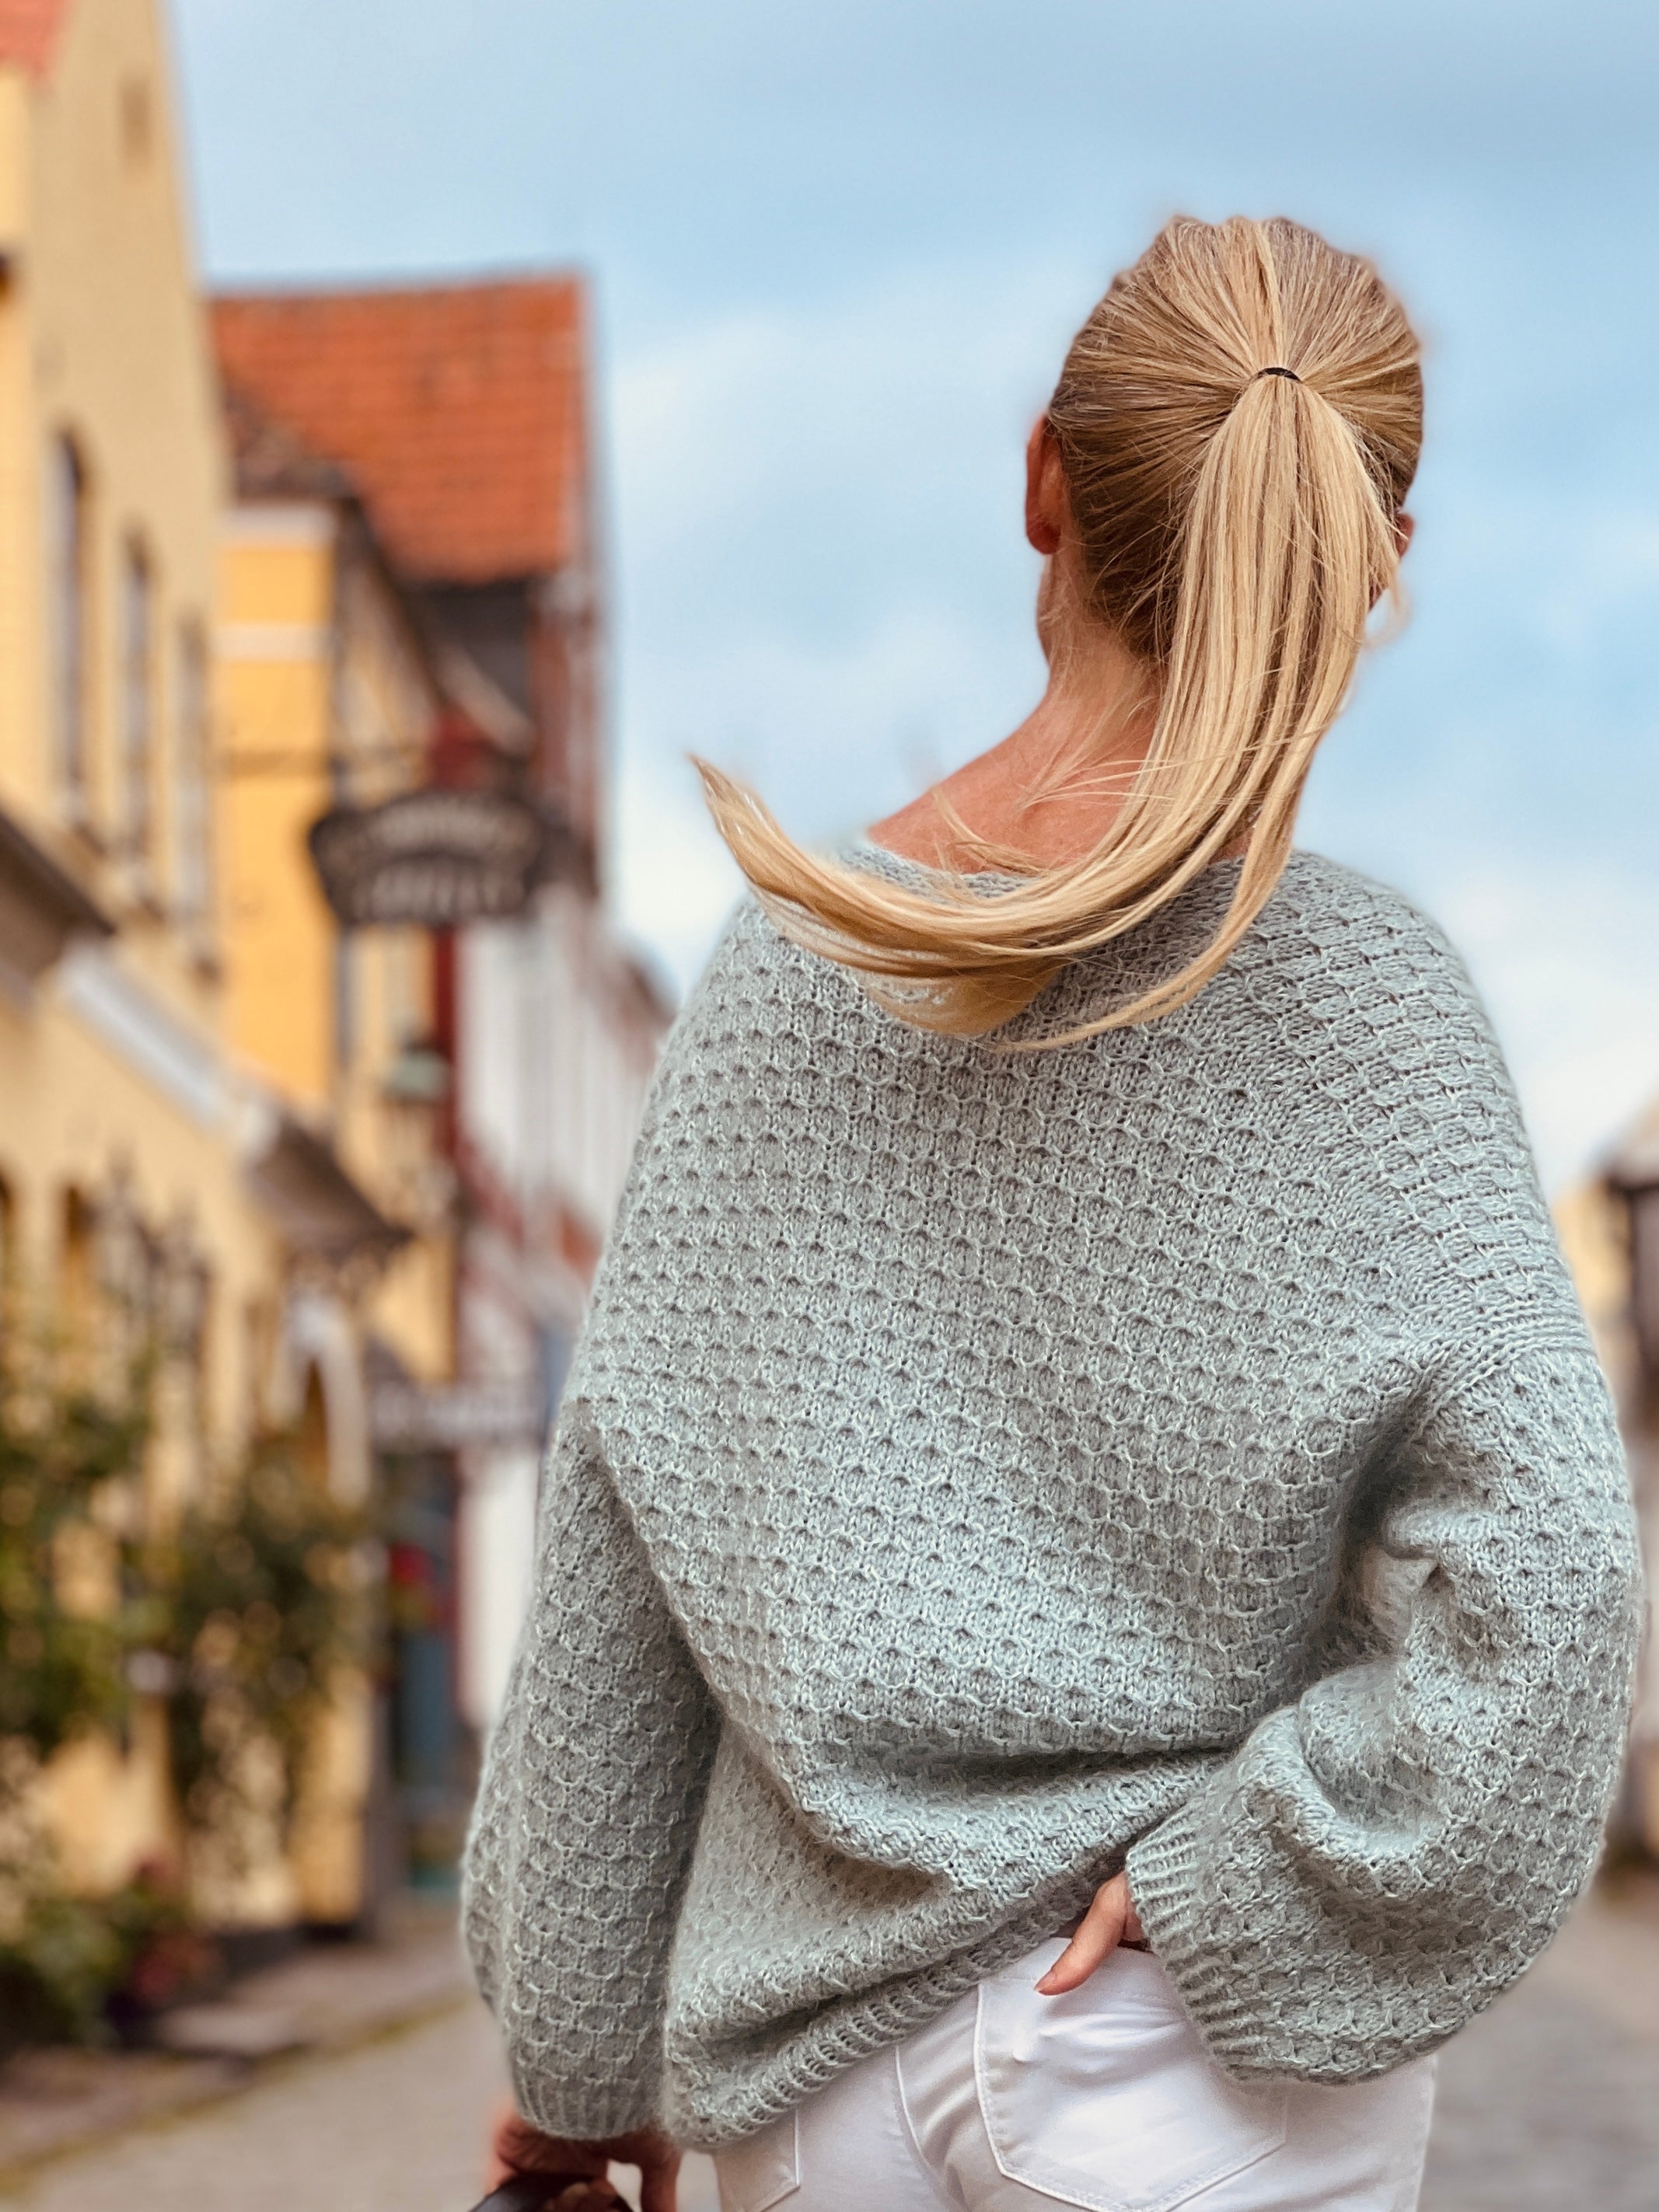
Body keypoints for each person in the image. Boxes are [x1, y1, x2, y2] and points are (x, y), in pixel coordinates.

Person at [463, 215, 1643, 2212]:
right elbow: (1549, 1587)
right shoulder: (1373, 1008)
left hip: (817, 2083)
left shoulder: (785, 981)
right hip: (1203, 2069)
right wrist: (1258, 1889)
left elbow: (619, 1558)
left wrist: (579, 2078)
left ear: (1040, 482)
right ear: (1375, 566)